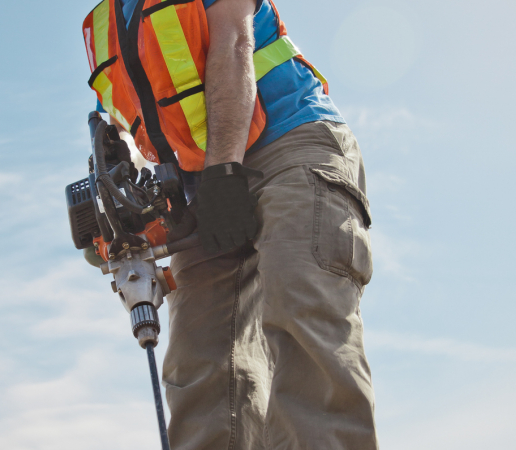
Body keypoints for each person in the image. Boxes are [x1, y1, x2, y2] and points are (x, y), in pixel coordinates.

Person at [82, 0, 377, 448]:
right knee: (200, 365)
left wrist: (222, 173)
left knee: (300, 314)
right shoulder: (109, 21)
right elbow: (131, 126)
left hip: (290, 144)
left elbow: (234, 41)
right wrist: (118, 213)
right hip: (201, 183)